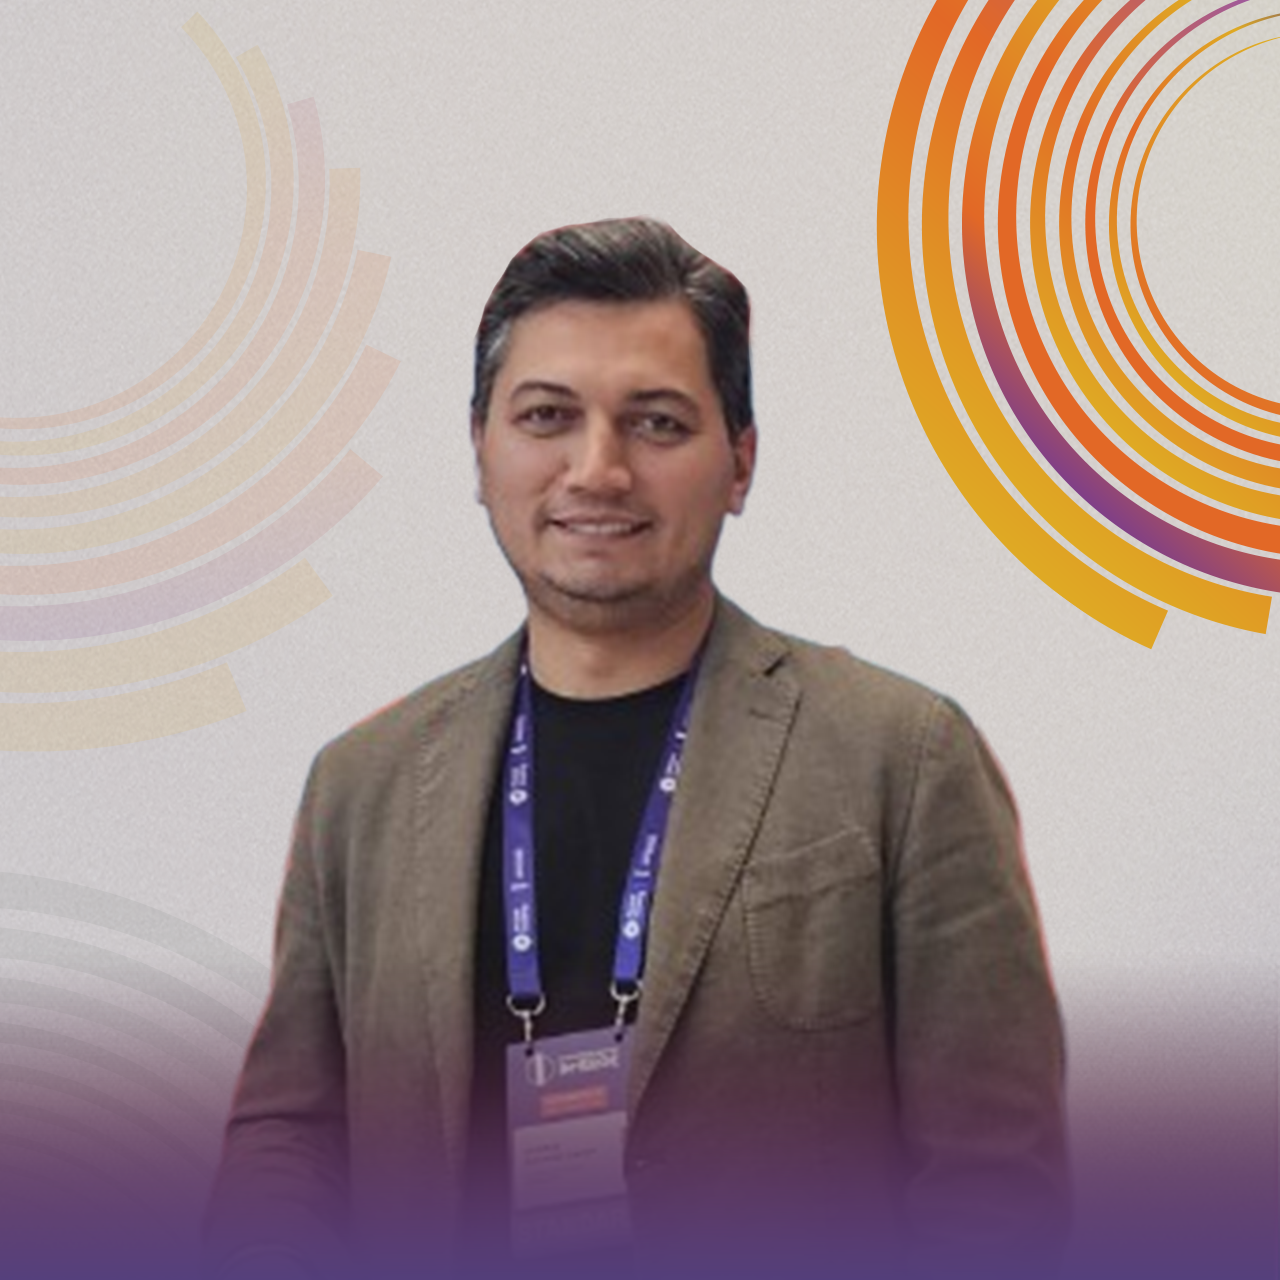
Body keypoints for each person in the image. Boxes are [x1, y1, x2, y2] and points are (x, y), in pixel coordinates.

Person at [205, 217, 1068, 1279]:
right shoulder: (364, 785)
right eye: (546, 417)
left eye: (656, 423)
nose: (597, 469)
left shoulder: (901, 759)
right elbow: (290, 1135)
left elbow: (993, 1185)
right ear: (479, 447)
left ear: (740, 461)